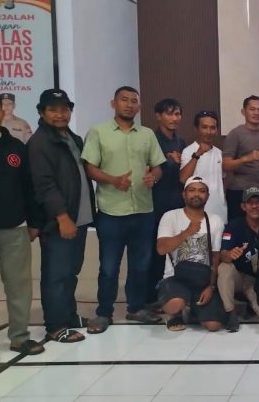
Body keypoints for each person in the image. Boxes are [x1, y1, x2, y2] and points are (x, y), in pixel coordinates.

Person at [81, 86, 166, 333]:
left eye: (133, 101)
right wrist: (113, 180)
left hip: (143, 210)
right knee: (109, 267)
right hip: (111, 212)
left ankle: (136, 308)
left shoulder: (147, 134)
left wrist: (154, 177)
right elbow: (90, 167)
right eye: (124, 100)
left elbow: (157, 166)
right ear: (113, 103)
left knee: (141, 265)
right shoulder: (98, 132)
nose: (129, 104)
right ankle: (103, 313)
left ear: (139, 106)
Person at [27, 89, 95, 343]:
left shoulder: (71, 137)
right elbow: (44, 185)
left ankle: (69, 316)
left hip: (78, 218)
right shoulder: (40, 143)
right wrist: (62, 217)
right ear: (41, 112)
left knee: (70, 272)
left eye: (64, 109)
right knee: (56, 275)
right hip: (59, 221)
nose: (60, 114)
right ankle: (56, 326)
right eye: (53, 110)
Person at [0, 89, 45, 365]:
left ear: (3, 113)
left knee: (19, 287)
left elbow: (29, 189)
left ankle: (20, 337)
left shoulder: (16, 148)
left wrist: (34, 222)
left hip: (15, 229)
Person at [156, 176, 226, 332]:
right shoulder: (170, 216)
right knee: (175, 305)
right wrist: (187, 232)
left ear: (207, 196)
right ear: (184, 194)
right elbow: (161, 249)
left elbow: (215, 258)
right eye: (192, 190)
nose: (196, 194)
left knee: (214, 326)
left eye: (202, 191)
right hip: (176, 278)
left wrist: (211, 286)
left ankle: (193, 308)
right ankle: (176, 313)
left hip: (202, 280)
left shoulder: (215, 220)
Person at [218, 186, 259, 332]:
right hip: (243, 277)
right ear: (243, 206)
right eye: (250, 203)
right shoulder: (234, 226)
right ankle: (230, 312)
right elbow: (223, 254)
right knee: (224, 268)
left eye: (258, 202)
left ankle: (250, 303)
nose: (254, 206)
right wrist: (229, 254)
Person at [148, 98, 187, 307]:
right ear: (158, 116)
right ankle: (151, 297)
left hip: (177, 203)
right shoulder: (151, 140)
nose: (174, 118)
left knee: (177, 250)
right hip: (155, 203)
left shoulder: (181, 142)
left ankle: (175, 293)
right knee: (156, 252)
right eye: (169, 113)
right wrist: (167, 161)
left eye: (177, 114)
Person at [222, 95, 259, 221]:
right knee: (238, 226)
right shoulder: (235, 134)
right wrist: (246, 159)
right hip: (239, 191)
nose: (256, 113)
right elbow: (226, 165)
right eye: (252, 109)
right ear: (243, 111)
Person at [180, 110, 228, 224]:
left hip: (219, 212)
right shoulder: (188, 151)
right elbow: (183, 179)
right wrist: (197, 154)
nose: (209, 132)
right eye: (204, 127)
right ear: (196, 129)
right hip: (196, 213)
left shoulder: (220, 153)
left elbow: (223, 181)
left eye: (213, 128)